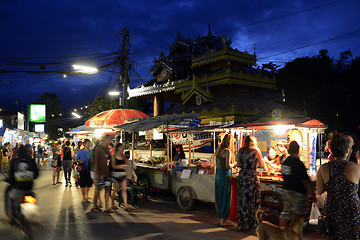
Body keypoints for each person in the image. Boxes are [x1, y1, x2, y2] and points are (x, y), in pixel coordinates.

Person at [316, 133, 360, 239]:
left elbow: (320, 190)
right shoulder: (356, 167)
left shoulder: (324, 168)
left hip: (333, 209)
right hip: (352, 210)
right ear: (346, 150)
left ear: (332, 151)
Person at [279, 141, 315, 230]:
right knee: (299, 216)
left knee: (287, 213)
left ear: (288, 150)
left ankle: (281, 233)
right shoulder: (299, 164)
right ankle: (296, 235)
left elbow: (284, 176)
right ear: (298, 150)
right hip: (298, 193)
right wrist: (313, 195)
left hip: (286, 191)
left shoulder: (285, 162)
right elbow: (306, 181)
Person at [3, 145, 39, 223]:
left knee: (8, 195)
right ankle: (31, 216)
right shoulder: (31, 161)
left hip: (18, 188)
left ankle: (10, 216)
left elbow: (11, 176)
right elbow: (36, 174)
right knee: (33, 197)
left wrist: (11, 181)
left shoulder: (14, 161)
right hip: (29, 188)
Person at [236, 135, 265, 231]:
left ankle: (242, 224)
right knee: (253, 200)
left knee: (243, 201)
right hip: (252, 177)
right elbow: (261, 165)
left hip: (242, 177)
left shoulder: (241, 151)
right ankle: (253, 225)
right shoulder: (256, 151)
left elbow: (238, 163)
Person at [214, 134, 236, 227]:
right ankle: (223, 220)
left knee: (219, 197)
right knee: (225, 198)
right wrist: (235, 163)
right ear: (229, 142)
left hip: (218, 176)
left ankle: (221, 219)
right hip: (225, 176)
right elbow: (228, 166)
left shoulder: (218, 151)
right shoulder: (227, 151)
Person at [94, 135, 114, 213]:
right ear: (105, 140)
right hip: (100, 172)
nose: (110, 142)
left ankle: (107, 207)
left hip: (107, 172)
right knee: (98, 189)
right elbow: (96, 162)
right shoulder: (98, 149)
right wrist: (97, 174)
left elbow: (109, 158)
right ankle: (94, 204)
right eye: (109, 140)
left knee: (107, 189)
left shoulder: (107, 149)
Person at [110, 143, 129, 211]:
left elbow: (126, 164)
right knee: (115, 190)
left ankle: (126, 206)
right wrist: (121, 166)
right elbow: (113, 166)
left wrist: (124, 166)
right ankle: (112, 204)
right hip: (115, 174)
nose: (123, 148)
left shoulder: (123, 156)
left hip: (122, 174)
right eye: (122, 147)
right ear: (118, 148)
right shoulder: (113, 156)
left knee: (124, 190)